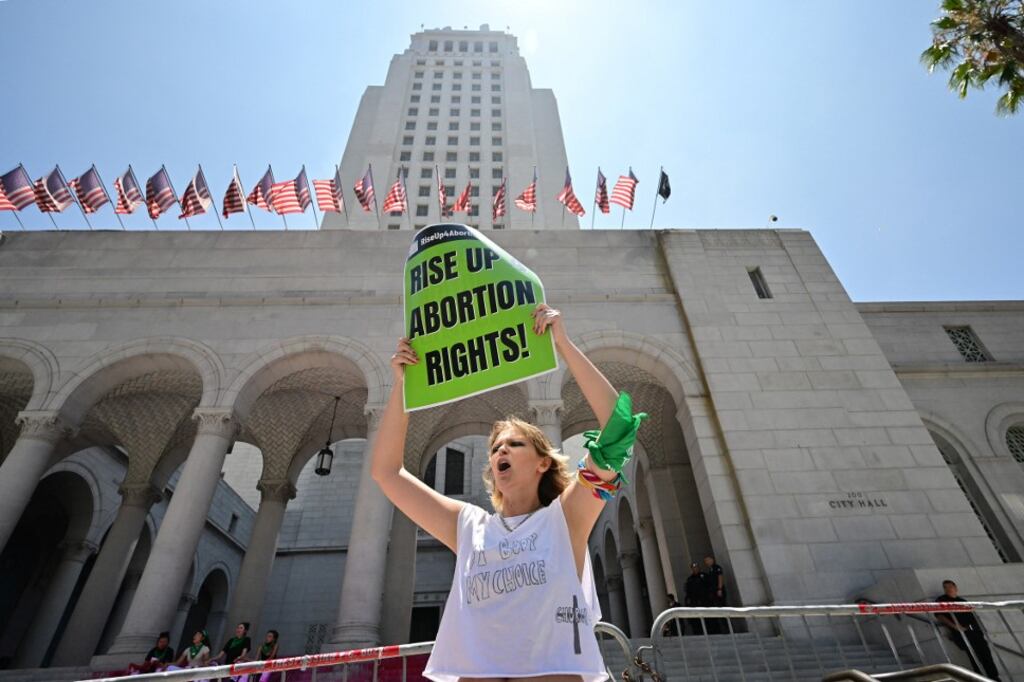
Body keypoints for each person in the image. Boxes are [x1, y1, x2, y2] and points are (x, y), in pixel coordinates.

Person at [374, 303, 646, 682]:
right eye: (495, 447)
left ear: (542, 463)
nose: (500, 450)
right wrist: (403, 386)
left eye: (514, 444)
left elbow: (619, 430)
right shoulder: (469, 526)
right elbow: (387, 473)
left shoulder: (565, 519)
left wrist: (562, 344)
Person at [935, 580, 1001, 680]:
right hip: (963, 633)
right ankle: (980, 678)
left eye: (950, 586)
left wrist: (980, 629)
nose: (948, 589)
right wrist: (954, 626)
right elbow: (939, 615)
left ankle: (994, 678)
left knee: (986, 655)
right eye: (945, 587)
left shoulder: (962, 601)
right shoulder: (942, 600)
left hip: (975, 632)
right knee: (974, 657)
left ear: (955, 588)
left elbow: (973, 615)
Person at [702, 555, 726, 634]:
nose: (706, 562)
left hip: (719, 592)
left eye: (707, 560)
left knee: (722, 609)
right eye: (705, 561)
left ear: (712, 560)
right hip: (714, 593)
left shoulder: (716, 567)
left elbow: (720, 577)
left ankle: (726, 629)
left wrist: (719, 589)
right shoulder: (710, 570)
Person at [684, 562, 708, 635]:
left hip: (705, 601)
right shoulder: (690, 579)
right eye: (693, 568)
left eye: (696, 567)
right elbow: (688, 591)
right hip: (695, 602)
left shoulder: (704, 576)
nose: (695, 569)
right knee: (697, 621)